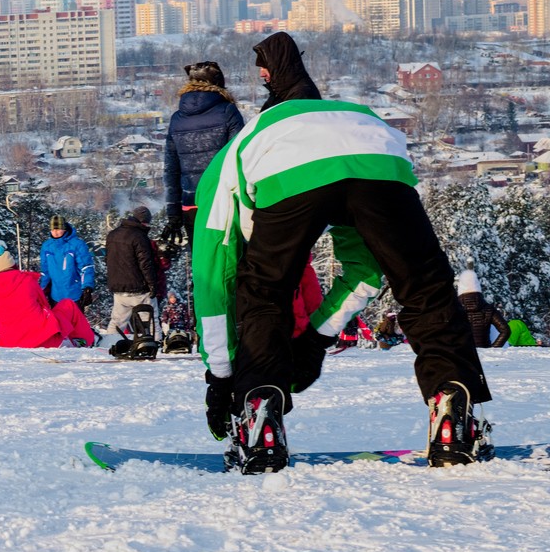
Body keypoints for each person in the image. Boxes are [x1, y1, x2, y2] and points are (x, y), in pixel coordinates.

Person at [193, 31, 493, 472]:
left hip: (291, 166)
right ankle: (454, 415)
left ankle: (260, 420)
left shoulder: (238, 150)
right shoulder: (350, 114)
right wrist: (317, 335)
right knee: (426, 288)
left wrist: (220, 374)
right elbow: (368, 266)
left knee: (263, 292)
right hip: (380, 154)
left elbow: (213, 274)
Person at [163, 61, 244, 245]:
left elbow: (171, 170)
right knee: (230, 263)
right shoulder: (228, 111)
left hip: (190, 206)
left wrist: (173, 214)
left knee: (201, 264)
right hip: (222, 202)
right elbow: (240, 157)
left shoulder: (177, 119)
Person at [0, 244, 66, 348]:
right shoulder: (28, 279)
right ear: (12, 264)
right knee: (67, 306)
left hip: (12, 341)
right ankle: (82, 341)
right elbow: (44, 304)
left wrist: (2, 332)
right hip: (42, 337)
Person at [105, 205, 164, 358]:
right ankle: (154, 345)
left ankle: (109, 345)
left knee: (117, 321)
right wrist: (152, 284)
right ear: (144, 222)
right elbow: (146, 263)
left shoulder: (112, 235)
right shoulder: (139, 237)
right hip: (139, 288)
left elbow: (108, 260)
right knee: (149, 319)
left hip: (118, 288)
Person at [37, 216, 95, 310]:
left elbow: (86, 267)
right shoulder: (47, 246)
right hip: (55, 295)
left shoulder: (76, 244)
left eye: (59, 229)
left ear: (64, 228)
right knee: (58, 323)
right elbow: (45, 270)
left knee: (74, 323)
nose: (55, 232)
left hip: (74, 293)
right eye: (53, 229)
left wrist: (87, 288)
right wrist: (41, 290)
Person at [456, 269, 508, 348]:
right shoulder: (489, 309)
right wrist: (494, 349)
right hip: (484, 352)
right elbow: (505, 330)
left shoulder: (454, 310)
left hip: (462, 354)